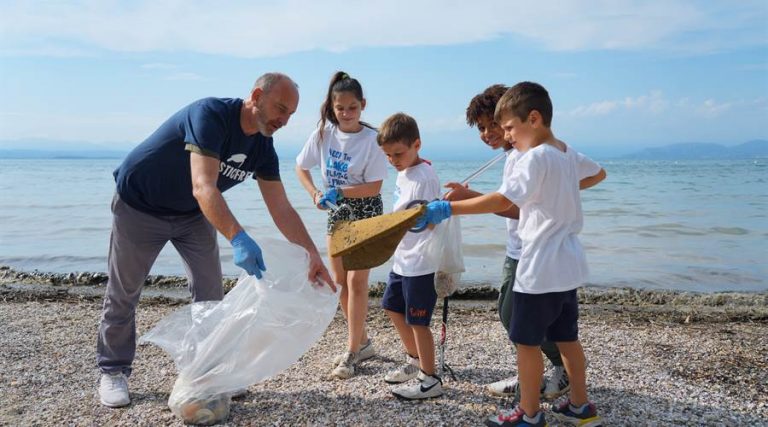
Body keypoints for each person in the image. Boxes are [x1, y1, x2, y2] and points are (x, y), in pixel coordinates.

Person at [96, 73, 335, 408]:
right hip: (140, 206)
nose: (284, 120)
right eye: (280, 108)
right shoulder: (210, 116)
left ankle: (208, 372)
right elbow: (204, 186)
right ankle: (113, 370)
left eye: (290, 114)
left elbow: (281, 207)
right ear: (256, 95)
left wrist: (312, 255)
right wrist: (238, 237)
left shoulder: (263, 148)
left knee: (210, 294)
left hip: (192, 215)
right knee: (124, 292)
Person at [419, 82, 604, 426]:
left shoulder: (533, 158)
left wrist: (448, 208)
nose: (505, 136)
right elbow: (599, 173)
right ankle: (581, 406)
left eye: (507, 128)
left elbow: (504, 201)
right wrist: (556, 189)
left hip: (538, 265)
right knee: (568, 339)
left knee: (526, 344)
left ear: (533, 119)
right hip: (569, 264)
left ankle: (529, 414)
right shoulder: (565, 152)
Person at [295, 71, 388, 379]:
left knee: (357, 283)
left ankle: (351, 353)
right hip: (336, 212)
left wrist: (341, 191)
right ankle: (362, 342)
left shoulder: (373, 139)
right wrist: (315, 194)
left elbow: (374, 187)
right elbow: (300, 166)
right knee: (339, 282)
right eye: (341, 108)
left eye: (352, 107)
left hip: (366, 211)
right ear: (332, 108)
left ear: (362, 105)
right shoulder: (323, 133)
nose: (347, 114)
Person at [376, 112, 443, 400]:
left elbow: (430, 220)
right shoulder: (404, 174)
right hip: (402, 257)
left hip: (421, 260)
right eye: (388, 155)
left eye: (398, 154)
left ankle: (430, 379)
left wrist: (416, 219)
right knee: (392, 306)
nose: (393, 160)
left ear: (417, 144)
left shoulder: (425, 176)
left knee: (419, 320)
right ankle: (415, 360)